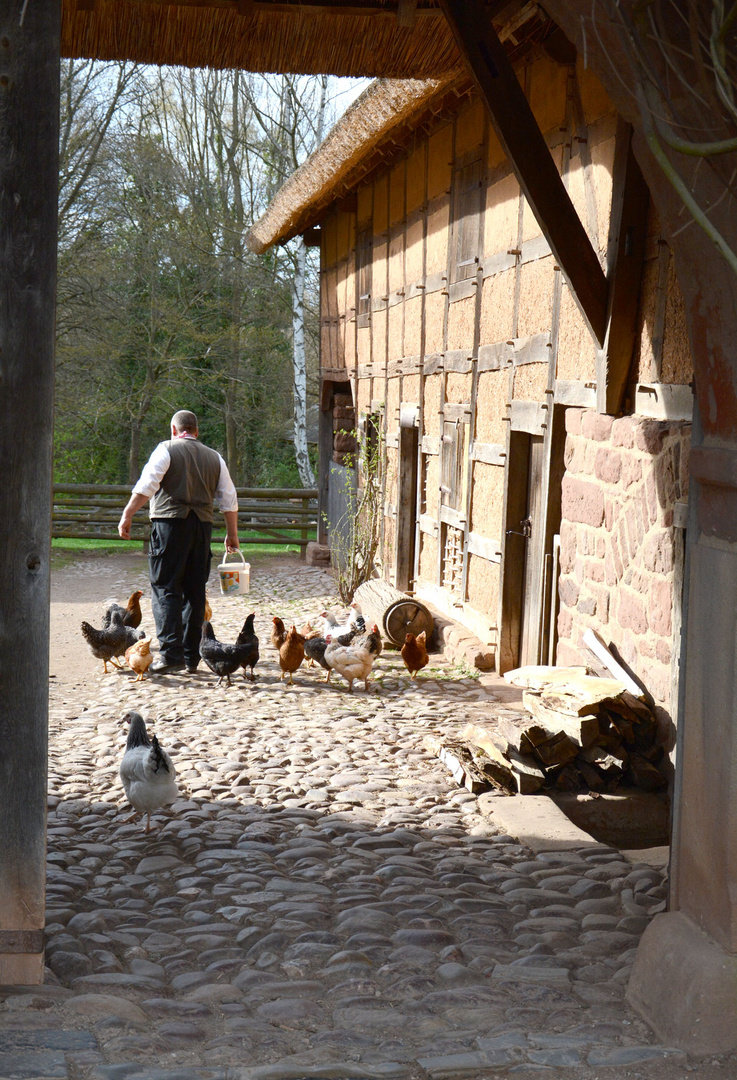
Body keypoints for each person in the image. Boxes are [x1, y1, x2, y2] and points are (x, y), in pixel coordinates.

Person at [118, 409, 240, 674]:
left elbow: (147, 485)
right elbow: (229, 498)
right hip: (203, 528)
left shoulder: (166, 449)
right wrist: (232, 534)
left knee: (165, 587)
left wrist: (127, 514)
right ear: (196, 431)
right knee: (195, 591)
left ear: (174, 430)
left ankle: (171, 654)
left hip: (169, 526)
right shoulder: (215, 457)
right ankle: (192, 657)